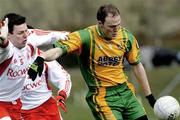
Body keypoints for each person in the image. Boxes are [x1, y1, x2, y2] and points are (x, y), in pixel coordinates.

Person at [28, 4, 156, 120]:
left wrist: (149, 96)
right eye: (111, 26)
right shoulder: (85, 36)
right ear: (100, 24)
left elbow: (137, 66)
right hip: (103, 97)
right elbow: (59, 50)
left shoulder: (126, 37)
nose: (116, 29)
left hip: (126, 92)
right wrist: (41, 58)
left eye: (118, 25)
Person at [0, 13, 68, 119]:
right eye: (20, 33)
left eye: (26, 31)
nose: (25, 35)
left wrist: (75, 39)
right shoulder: (7, 51)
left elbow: (57, 36)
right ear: (9, 34)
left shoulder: (35, 47)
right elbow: (4, 49)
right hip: (12, 107)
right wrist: (2, 42)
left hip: (27, 105)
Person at [21, 48, 72, 120]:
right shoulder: (5, 58)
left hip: (48, 109)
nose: (25, 37)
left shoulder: (44, 56)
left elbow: (64, 77)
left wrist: (62, 95)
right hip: (21, 111)